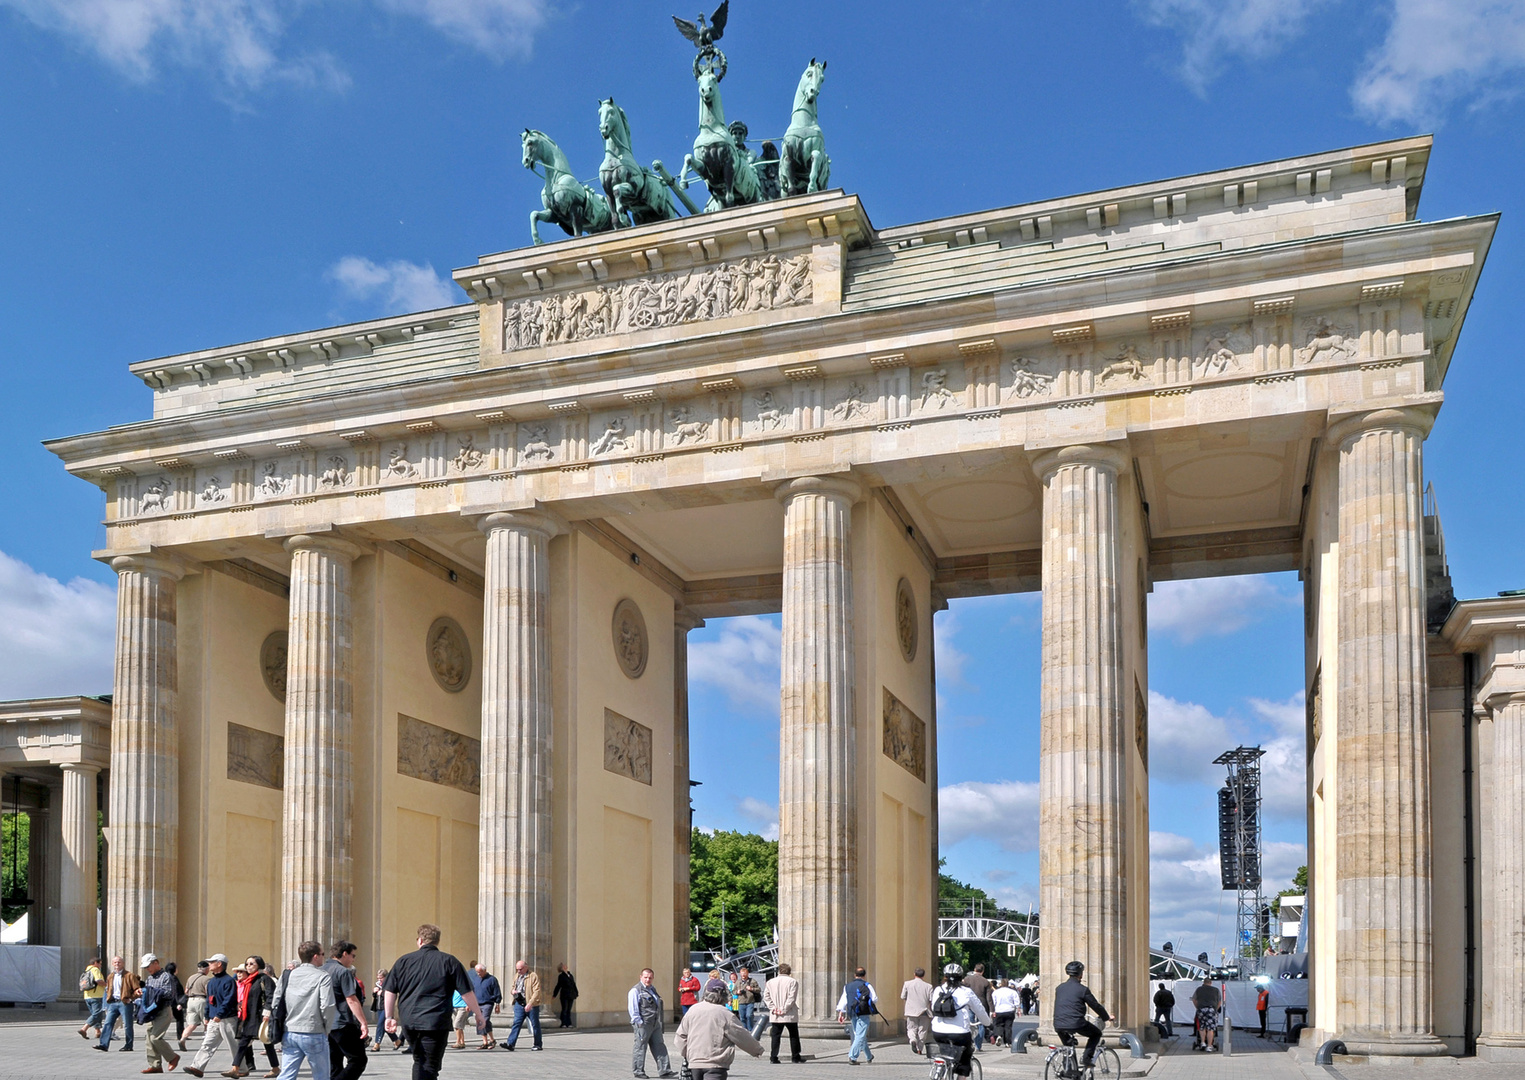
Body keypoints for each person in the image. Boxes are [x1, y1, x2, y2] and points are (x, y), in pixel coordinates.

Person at [384, 924, 483, 1080]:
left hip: (410, 1020)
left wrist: (389, 1017)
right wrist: (479, 1014)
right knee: (429, 1065)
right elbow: (466, 992)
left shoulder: (403, 961)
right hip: (435, 1021)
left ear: (420, 940)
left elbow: (389, 990)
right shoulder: (449, 961)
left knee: (420, 1060)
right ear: (437, 941)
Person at [272, 941, 337, 1080]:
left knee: (287, 1074)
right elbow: (327, 1005)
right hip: (314, 1031)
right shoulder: (322, 976)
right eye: (322, 954)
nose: (323, 957)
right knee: (321, 1075)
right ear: (315, 956)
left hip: (290, 1031)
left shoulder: (287, 975)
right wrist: (327, 1028)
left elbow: (276, 1000)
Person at [675, 984, 765, 1080]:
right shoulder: (725, 1013)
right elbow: (740, 1035)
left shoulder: (693, 1010)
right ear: (724, 995)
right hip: (715, 1063)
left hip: (694, 1064)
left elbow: (680, 1036)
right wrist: (757, 1050)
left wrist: (688, 1054)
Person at [928, 963, 990, 1078]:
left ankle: (941, 1070)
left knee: (944, 1052)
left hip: (938, 1031)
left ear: (945, 976)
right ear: (961, 977)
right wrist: (988, 1022)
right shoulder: (966, 991)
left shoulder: (938, 990)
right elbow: (979, 1010)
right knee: (965, 1060)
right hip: (959, 1033)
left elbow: (933, 1008)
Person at [185, 954, 238, 1077]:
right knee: (207, 1044)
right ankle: (197, 1067)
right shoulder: (211, 981)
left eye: (211, 962)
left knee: (233, 1045)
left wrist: (220, 1014)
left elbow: (229, 1000)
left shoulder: (228, 981)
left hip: (227, 1019)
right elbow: (209, 999)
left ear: (219, 964)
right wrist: (207, 1016)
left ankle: (241, 1067)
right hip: (214, 1019)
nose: (209, 964)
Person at [1052, 961, 1111, 1071]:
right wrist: (1106, 1017)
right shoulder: (1083, 989)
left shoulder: (1059, 988)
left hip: (1058, 1024)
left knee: (1068, 1046)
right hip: (1076, 1023)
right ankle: (1086, 1059)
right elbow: (1095, 1005)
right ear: (1081, 974)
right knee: (1096, 1034)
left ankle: (1070, 1071)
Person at [322, 941, 369, 1079]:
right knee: (358, 1060)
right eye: (353, 956)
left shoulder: (321, 970)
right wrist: (363, 1023)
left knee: (334, 1063)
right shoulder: (342, 972)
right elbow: (351, 999)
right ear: (344, 954)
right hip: (342, 1022)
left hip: (325, 1023)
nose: (353, 959)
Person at [227, 954, 279, 1079]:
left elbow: (271, 996)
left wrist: (267, 1012)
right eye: (247, 964)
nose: (248, 966)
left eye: (251, 964)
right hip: (249, 1016)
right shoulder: (249, 980)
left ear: (259, 965)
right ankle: (235, 1068)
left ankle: (275, 1068)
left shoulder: (264, 979)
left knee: (266, 1042)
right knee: (244, 1042)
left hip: (261, 1016)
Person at [629, 967, 676, 1079]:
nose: (647, 980)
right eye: (645, 977)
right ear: (641, 977)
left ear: (653, 978)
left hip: (655, 1023)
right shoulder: (635, 990)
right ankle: (638, 1071)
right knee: (640, 1047)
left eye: (650, 978)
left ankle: (665, 1070)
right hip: (643, 1024)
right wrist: (639, 1022)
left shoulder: (652, 989)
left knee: (659, 1046)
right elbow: (633, 1009)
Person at [139, 953, 182, 1074]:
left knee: (155, 1037)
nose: (147, 969)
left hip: (163, 1010)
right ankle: (155, 1065)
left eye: (148, 966)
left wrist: (152, 992)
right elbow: (148, 994)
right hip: (151, 1011)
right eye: (145, 967)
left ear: (156, 963)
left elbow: (169, 994)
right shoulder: (150, 978)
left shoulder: (166, 977)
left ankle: (172, 1057)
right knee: (148, 1038)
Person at [834, 966, 878, 1065]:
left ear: (855, 975)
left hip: (852, 1012)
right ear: (864, 975)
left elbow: (843, 1000)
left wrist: (841, 1012)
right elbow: (874, 998)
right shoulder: (867, 985)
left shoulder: (847, 986)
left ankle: (869, 1056)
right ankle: (852, 1056)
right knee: (860, 1035)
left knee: (860, 1035)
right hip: (863, 1013)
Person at [97, 955, 140, 1053]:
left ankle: (129, 1045)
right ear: (112, 964)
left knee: (127, 1025)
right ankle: (103, 1044)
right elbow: (108, 989)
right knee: (108, 1023)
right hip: (113, 1002)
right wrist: (108, 999)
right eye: (115, 962)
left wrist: (131, 998)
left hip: (124, 1003)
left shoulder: (129, 975)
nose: (117, 964)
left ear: (123, 964)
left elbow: (137, 989)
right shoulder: (110, 976)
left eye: (119, 962)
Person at [762, 962, 803, 1064]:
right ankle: (795, 1056)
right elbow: (791, 998)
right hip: (789, 1013)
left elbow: (766, 997)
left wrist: (773, 1008)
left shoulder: (770, 982)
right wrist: (784, 1009)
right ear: (789, 972)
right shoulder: (793, 981)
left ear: (779, 971)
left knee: (775, 1036)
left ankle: (773, 1057)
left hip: (775, 1013)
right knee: (793, 1035)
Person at [503, 959, 543, 1050]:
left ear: (526, 967)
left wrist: (530, 1003)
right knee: (516, 1023)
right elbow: (513, 986)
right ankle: (510, 1044)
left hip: (531, 1004)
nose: (518, 971)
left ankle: (538, 1044)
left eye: (520, 969)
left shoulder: (533, 976)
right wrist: (513, 991)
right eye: (517, 969)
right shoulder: (517, 976)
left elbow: (537, 991)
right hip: (519, 1003)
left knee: (535, 1024)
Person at [900, 968, 934, 1056]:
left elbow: (903, 996)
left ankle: (912, 1040)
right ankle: (919, 1048)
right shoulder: (929, 986)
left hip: (911, 1010)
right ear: (923, 975)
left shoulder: (907, 984)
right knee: (922, 1030)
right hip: (924, 1011)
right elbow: (931, 999)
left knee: (911, 1028)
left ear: (914, 974)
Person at [470, 963, 501, 1050]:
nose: (478, 974)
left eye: (480, 972)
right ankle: (490, 1040)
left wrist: (497, 1004)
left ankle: (485, 1042)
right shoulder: (475, 979)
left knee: (483, 1020)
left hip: (488, 1003)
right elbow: (472, 991)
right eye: (477, 972)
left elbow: (497, 992)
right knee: (484, 1022)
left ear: (485, 971)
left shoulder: (492, 979)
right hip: (477, 1003)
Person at [370, 970, 402, 1053]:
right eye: (378, 977)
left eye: (381, 978)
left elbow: (392, 995)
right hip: (379, 1007)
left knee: (380, 1025)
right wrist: (374, 992)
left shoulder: (389, 984)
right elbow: (376, 997)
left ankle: (377, 1044)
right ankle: (397, 1041)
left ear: (385, 977)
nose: (379, 979)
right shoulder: (378, 984)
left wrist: (383, 992)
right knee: (385, 1026)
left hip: (386, 1008)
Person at [182, 961, 211, 1051]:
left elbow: (186, 991)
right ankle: (206, 1042)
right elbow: (207, 992)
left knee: (191, 1024)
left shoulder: (191, 978)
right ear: (206, 969)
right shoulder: (206, 979)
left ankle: (183, 1038)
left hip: (190, 1001)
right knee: (207, 1021)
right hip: (201, 1000)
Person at [963, 964, 992, 1050]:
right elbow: (989, 998)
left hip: (969, 1004)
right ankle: (978, 1045)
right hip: (981, 1004)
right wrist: (991, 1009)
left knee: (970, 1023)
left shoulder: (967, 979)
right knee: (981, 1024)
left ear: (974, 969)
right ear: (983, 971)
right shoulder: (985, 981)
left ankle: (970, 1042)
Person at [79, 955, 107, 1041]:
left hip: (87, 996)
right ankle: (84, 1029)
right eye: (100, 964)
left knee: (95, 1014)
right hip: (96, 995)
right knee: (97, 1013)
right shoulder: (95, 969)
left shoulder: (86, 971)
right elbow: (99, 981)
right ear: (95, 963)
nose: (100, 966)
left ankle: (98, 1031)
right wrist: (107, 985)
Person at [1192, 976, 1221, 1052]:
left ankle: (1202, 1042)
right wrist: (1215, 1009)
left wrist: (1197, 1007)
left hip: (1201, 1009)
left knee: (1202, 1027)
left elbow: (1194, 999)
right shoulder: (1216, 990)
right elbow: (1219, 1002)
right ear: (1210, 983)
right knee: (1210, 1028)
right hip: (1211, 1009)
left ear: (1203, 983)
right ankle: (1209, 1045)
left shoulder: (1199, 989)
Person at [990, 980, 1019, 1048]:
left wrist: (992, 1011)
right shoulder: (1012, 992)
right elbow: (1016, 1001)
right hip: (1010, 1010)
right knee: (1008, 1027)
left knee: (998, 1025)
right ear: (1008, 984)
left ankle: (999, 1035)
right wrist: (1018, 1009)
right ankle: (1007, 1042)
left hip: (999, 1010)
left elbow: (993, 1002)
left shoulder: (996, 992)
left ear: (1001, 984)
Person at [166, 962, 188, 1042]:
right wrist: (179, 1003)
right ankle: (181, 1035)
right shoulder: (173, 978)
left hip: (169, 1001)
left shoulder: (166, 977)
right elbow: (176, 991)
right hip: (175, 1002)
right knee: (179, 1019)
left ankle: (181, 1034)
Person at [733, 967, 760, 1032]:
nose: (743, 975)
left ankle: (751, 1030)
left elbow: (759, 989)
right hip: (741, 1002)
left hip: (750, 1002)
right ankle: (744, 1030)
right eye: (742, 974)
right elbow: (733, 991)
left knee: (749, 1015)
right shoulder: (738, 982)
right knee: (742, 1018)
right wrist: (737, 992)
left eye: (744, 973)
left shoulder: (752, 981)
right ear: (740, 974)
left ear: (747, 974)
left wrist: (751, 989)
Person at [553, 963, 578, 1028]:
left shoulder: (570, 975)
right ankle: (563, 1023)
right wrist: (554, 994)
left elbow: (573, 985)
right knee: (564, 1009)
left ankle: (569, 1023)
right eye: (564, 965)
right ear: (562, 968)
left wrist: (576, 993)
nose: (565, 966)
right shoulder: (561, 976)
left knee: (569, 1010)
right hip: (564, 995)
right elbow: (558, 986)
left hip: (571, 995)